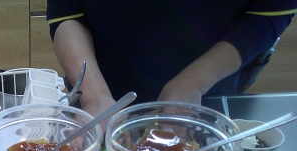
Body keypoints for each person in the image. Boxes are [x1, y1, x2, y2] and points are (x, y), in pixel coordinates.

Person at [47, 1, 297, 117]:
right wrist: (94, 96)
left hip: (205, 97)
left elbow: (269, 14)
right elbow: (67, 12)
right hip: (99, 96)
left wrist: (193, 82)